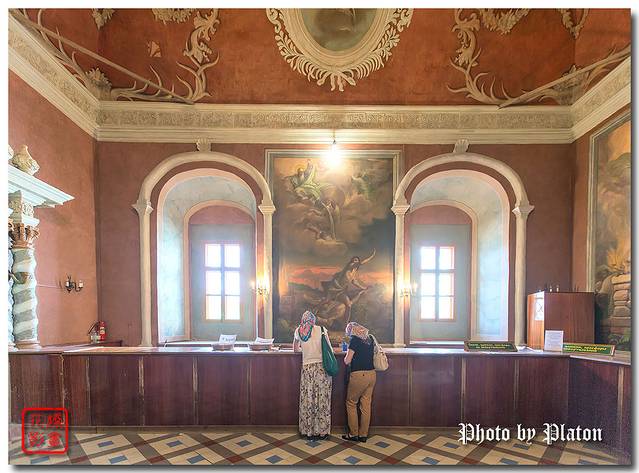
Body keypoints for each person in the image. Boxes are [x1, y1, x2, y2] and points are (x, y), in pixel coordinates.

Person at [293, 311, 333, 440]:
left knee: (308, 398)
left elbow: (295, 349)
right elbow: (330, 349)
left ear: (302, 319)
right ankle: (322, 431)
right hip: (322, 368)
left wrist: (305, 350)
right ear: (314, 320)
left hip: (307, 368)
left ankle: (307, 430)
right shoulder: (322, 329)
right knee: (322, 399)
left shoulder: (299, 331)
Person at [342, 322, 376, 443]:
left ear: (353, 330)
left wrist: (346, 353)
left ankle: (353, 434)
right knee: (366, 404)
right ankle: (363, 435)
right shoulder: (370, 339)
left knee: (351, 402)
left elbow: (347, 361)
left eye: (348, 331)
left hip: (359, 375)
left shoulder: (355, 340)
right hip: (372, 374)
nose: (348, 333)